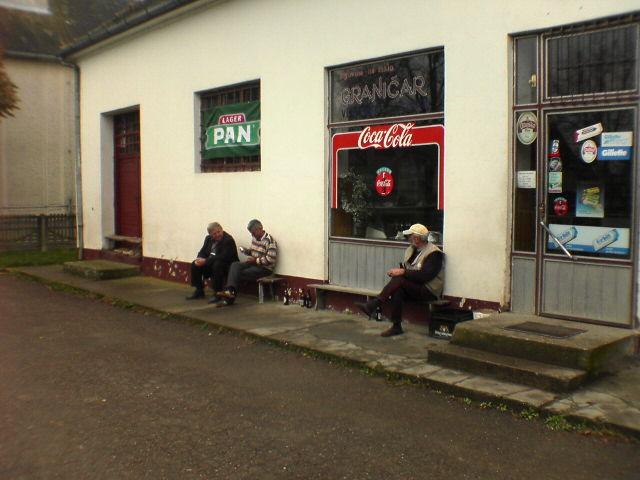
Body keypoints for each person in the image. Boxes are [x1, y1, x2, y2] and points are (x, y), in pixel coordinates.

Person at [356, 223, 443, 337]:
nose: (408, 239)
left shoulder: (434, 254)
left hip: (429, 290)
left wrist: (402, 272)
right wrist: (401, 272)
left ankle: (374, 304)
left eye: (410, 236)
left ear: (417, 238)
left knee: (400, 280)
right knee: (397, 289)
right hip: (415, 287)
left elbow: (425, 276)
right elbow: (409, 270)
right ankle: (396, 326)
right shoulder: (412, 250)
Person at [217, 219, 277, 305]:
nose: (252, 235)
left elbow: (270, 259)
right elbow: (253, 252)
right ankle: (230, 292)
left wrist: (255, 260)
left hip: (264, 269)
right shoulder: (255, 238)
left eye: (253, 232)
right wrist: (247, 251)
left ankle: (229, 297)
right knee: (234, 265)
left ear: (260, 229)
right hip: (253, 264)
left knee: (238, 273)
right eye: (251, 233)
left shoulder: (270, 241)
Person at [186, 222, 239, 303]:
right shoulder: (208, 239)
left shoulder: (228, 240)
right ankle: (199, 290)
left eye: (219, 232)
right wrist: (199, 259)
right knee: (194, 264)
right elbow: (203, 251)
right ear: (210, 234)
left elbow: (223, 257)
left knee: (217, 265)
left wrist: (205, 261)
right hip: (211, 262)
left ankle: (217, 293)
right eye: (214, 234)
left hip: (227, 265)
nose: (217, 235)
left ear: (222, 230)